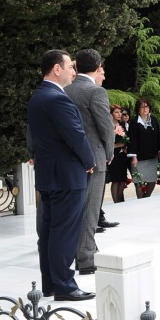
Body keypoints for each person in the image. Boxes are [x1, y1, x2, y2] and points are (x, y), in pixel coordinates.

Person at [27, 49, 96, 302]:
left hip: (48, 175)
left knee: (49, 233)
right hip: (66, 175)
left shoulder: (38, 96)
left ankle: (51, 284)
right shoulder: (57, 99)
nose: (73, 72)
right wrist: (90, 161)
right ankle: (65, 286)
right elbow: (75, 135)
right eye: (70, 67)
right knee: (64, 233)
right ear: (57, 68)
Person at [63, 49, 114, 276]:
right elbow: (106, 127)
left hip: (70, 157)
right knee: (91, 209)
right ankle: (86, 258)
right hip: (94, 156)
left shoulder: (64, 90)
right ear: (97, 66)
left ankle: (84, 248)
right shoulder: (96, 91)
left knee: (76, 209)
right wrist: (109, 152)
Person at [128, 98, 160, 198]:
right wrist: (133, 157)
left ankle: (147, 198)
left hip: (152, 156)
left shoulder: (154, 120)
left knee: (152, 180)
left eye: (146, 106)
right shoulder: (134, 122)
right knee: (138, 181)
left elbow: (158, 136)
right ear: (138, 109)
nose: (145, 109)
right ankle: (140, 200)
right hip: (139, 158)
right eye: (142, 107)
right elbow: (132, 139)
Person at [107, 104, 128, 203]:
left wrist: (125, 146)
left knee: (122, 179)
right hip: (113, 156)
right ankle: (116, 201)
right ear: (111, 114)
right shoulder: (108, 126)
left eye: (120, 112)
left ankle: (120, 200)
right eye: (116, 112)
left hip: (122, 155)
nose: (119, 114)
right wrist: (119, 145)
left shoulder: (122, 125)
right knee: (115, 180)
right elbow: (106, 144)